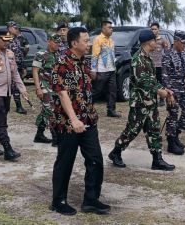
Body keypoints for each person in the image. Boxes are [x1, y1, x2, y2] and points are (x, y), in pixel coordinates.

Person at [50, 27, 110, 216]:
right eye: (86, 41)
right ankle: (58, 201)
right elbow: (62, 92)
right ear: (75, 43)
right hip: (69, 123)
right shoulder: (62, 62)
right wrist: (74, 120)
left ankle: (91, 199)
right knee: (65, 162)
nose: (89, 44)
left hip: (88, 119)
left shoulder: (84, 62)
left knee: (96, 160)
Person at [108, 29, 175, 170]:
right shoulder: (138, 59)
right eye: (155, 41)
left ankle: (157, 160)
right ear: (149, 42)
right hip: (140, 104)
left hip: (150, 102)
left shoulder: (147, 57)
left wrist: (165, 89)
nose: (157, 43)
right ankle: (116, 152)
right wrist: (159, 91)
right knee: (132, 130)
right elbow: (142, 81)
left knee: (154, 131)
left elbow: (152, 79)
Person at [0, 28, 29, 161]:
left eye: (9, 40)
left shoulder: (10, 54)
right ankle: (8, 149)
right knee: (1, 120)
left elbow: (15, 74)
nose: (7, 43)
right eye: (4, 40)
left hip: (6, 92)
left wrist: (22, 89)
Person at [162, 30, 185, 155]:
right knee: (173, 116)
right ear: (175, 41)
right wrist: (169, 93)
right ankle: (171, 142)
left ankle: (175, 134)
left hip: (184, 89)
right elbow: (164, 77)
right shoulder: (167, 55)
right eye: (183, 43)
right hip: (172, 91)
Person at [32, 33, 61, 145]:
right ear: (49, 41)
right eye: (55, 42)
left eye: (59, 43)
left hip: (55, 87)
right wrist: (38, 88)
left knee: (46, 110)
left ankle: (39, 134)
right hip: (44, 86)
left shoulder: (58, 55)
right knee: (50, 110)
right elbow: (35, 71)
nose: (58, 44)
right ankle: (56, 137)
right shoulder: (41, 54)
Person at [91, 19, 121, 118]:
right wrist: (93, 70)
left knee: (112, 90)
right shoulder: (98, 39)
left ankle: (111, 110)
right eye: (109, 27)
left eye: (112, 27)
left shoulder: (111, 40)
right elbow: (95, 55)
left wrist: (114, 66)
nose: (111, 29)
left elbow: (112, 54)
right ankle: (87, 108)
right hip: (101, 70)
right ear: (103, 28)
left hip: (111, 69)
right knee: (97, 90)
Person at [7, 20, 30, 114]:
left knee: (18, 85)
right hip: (10, 67)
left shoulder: (17, 39)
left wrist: (24, 66)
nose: (17, 30)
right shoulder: (5, 39)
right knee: (14, 87)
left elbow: (20, 53)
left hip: (19, 66)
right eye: (15, 28)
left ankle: (17, 105)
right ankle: (18, 106)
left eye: (17, 28)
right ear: (9, 28)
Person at [149, 22, 169, 107]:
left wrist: (166, 61)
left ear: (158, 30)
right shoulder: (149, 40)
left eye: (155, 29)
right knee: (152, 82)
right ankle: (153, 99)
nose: (153, 30)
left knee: (160, 82)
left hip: (160, 65)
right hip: (150, 65)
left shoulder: (162, 40)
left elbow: (167, 51)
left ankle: (161, 99)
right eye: (152, 29)